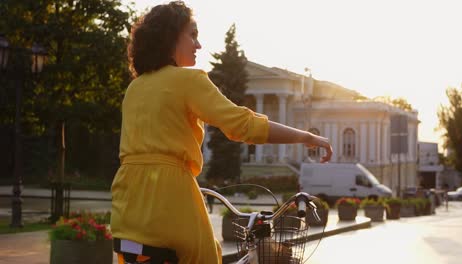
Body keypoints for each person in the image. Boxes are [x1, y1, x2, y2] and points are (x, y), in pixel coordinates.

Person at [110, 1, 333, 263]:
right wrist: (306, 136)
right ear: (170, 37)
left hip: (127, 199)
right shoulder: (189, 80)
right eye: (192, 34)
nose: (198, 44)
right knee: (208, 257)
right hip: (169, 196)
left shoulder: (134, 89)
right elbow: (243, 125)